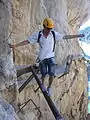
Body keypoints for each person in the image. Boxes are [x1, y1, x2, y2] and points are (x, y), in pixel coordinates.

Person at [10, 17, 84, 96]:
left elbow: (65, 37)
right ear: (44, 26)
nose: (49, 30)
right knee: (44, 73)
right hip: (42, 58)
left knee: (52, 73)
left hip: (50, 58)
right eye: (48, 28)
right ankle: (42, 84)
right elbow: (27, 41)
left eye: (50, 28)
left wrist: (77, 36)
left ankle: (49, 87)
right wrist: (15, 45)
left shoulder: (53, 34)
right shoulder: (38, 35)